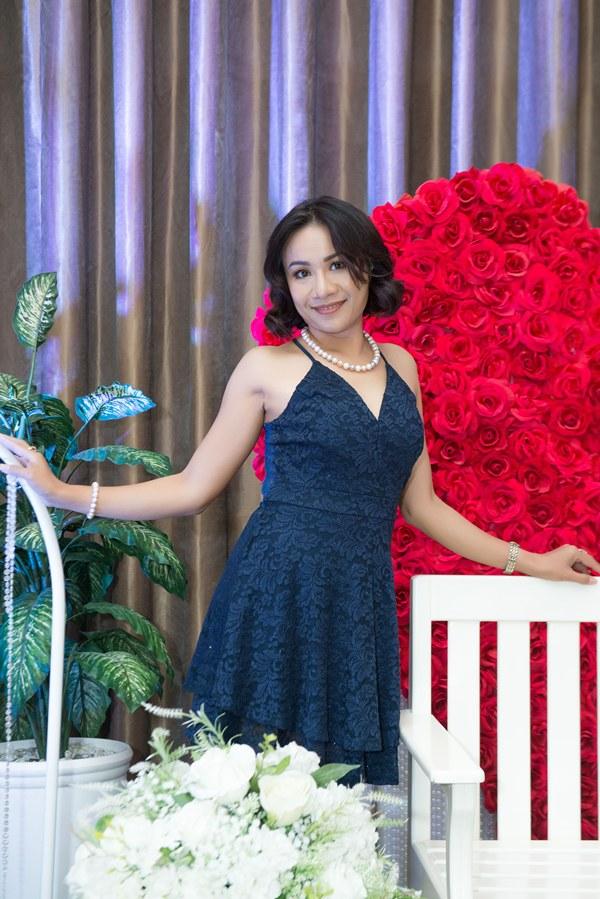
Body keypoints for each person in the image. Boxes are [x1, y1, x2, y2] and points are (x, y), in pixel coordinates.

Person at [0, 196, 598, 785]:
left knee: (337, 798)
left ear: (367, 268)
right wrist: (63, 494)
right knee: (256, 790)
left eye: (337, 265)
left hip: (356, 604)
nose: (322, 288)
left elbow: (422, 507)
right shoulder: (267, 367)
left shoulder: (402, 367)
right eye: (301, 272)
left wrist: (532, 561)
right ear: (286, 285)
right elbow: (193, 487)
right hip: (277, 596)